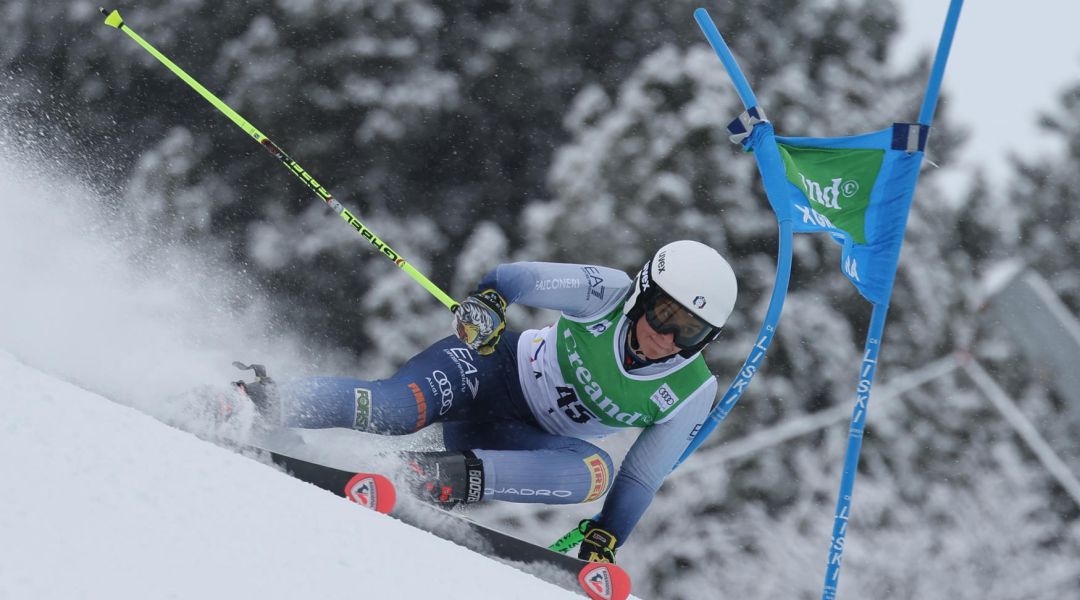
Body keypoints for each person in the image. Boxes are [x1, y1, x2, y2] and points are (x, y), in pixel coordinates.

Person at [239, 239, 737, 563]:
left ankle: (416, 476)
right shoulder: (607, 293)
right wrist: (493, 299)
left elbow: (642, 475)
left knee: (596, 471)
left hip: (514, 443)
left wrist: (607, 537)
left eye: (690, 332)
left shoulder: (692, 390)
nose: (668, 337)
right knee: (396, 409)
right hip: (489, 369)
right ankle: (260, 402)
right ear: (642, 295)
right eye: (664, 315)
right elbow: (521, 276)